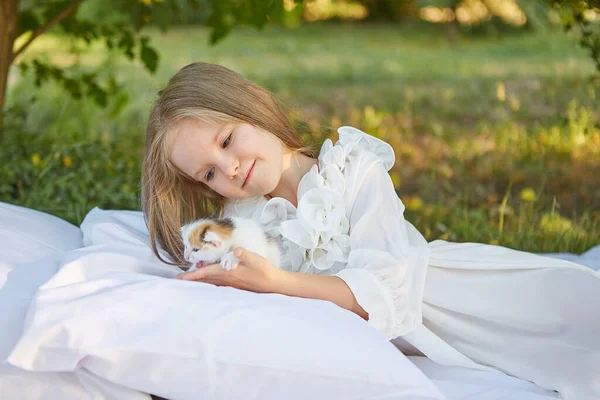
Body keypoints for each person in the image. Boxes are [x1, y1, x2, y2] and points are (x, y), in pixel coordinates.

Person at [141, 62, 600, 400]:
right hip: (408, 343)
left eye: (226, 141)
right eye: (208, 175)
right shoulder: (248, 224)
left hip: (452, 299)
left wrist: (276, 283)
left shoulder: (350, 168)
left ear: (253, 107)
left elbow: (389, 286)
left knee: (573, 328)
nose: (229, 168)